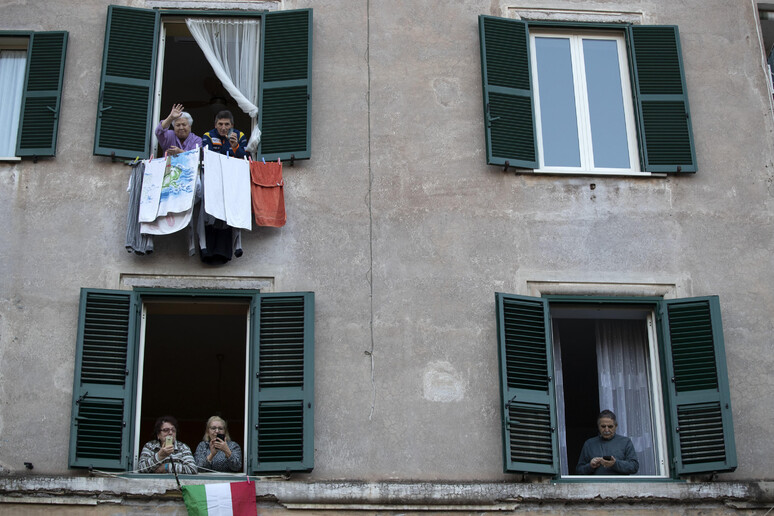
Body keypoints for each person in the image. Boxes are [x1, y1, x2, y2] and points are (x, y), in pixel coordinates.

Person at [576, 409, 639, 475]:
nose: (606, 430)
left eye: (610, 426)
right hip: (596, 484)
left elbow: (634, 467)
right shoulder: (589, 444)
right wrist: (590, 466)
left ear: (616, 426)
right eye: (603, 426)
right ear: (598, 426)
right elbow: (579, 471)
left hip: (620, 484)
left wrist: (615, 463)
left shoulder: (625, 442)